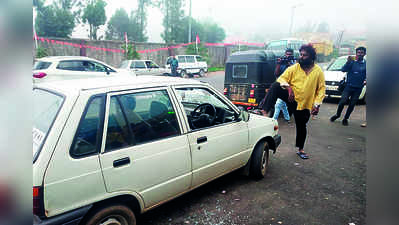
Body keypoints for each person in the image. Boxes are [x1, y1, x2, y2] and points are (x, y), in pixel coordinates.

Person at [261, 44, 326, 159]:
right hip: (291, 99)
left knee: (302, 126)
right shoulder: (294, 68)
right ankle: (264, 111)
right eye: (300, 54)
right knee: (276, 85)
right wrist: (288, 88)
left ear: (311, 57)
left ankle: (300, 149)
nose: (301, 57)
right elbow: (281, 78)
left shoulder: (318, 71)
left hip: (304, 104)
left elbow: (321, 89)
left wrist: (317, 105)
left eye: (304, 55)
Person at [330, 47, 366, 126]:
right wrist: (348, 62)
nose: (360, 54)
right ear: (356, 53)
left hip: (358, 88)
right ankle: (337, 115)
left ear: (364, 54)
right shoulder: (352, 62)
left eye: (362, 52)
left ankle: (346, 118)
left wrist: (366, 80)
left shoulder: (366, 64)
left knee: (352, 104)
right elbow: (343, 70)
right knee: (343, 101)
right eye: (358, 52)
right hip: (348, 86)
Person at [272, 48, 295, 122]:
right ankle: (287, 118)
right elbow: (276, 74)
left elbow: (295, 74)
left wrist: (290, 65)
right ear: (285, 54)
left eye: (290, 54)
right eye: (287, 54)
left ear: (292, 55)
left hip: (289, 87)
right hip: (281, 85)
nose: (288, 56)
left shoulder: (295, 64)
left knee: (278, 104)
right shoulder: (282, 62)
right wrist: (279, 63)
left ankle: (274, 120)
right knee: (283, 104)